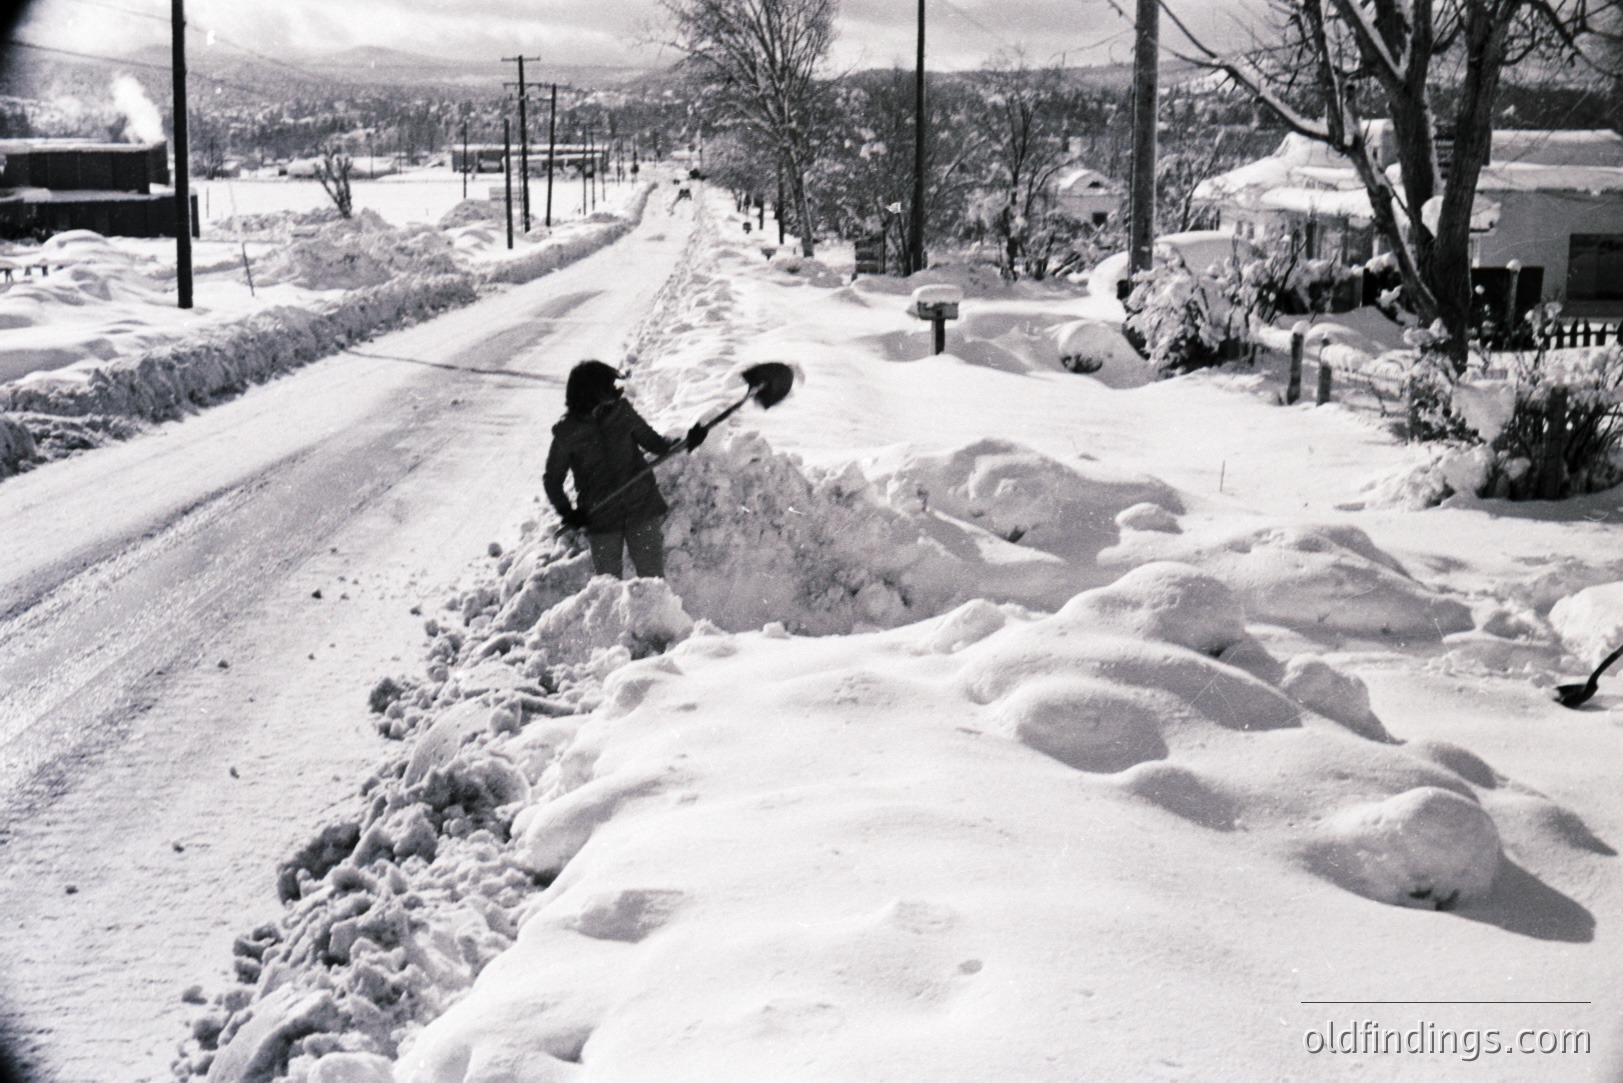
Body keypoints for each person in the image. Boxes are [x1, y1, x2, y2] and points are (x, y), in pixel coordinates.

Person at [544, 360, 707, 579]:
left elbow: (656, 444)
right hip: (601, 518)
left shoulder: (622, 412)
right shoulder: (567, 433)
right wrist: (567, 512)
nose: (615, 391)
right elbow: (552, 480)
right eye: (608, 387)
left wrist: (688, 440)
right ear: (590, 392)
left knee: (653, 582)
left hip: (642, 506)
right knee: (607, 587)